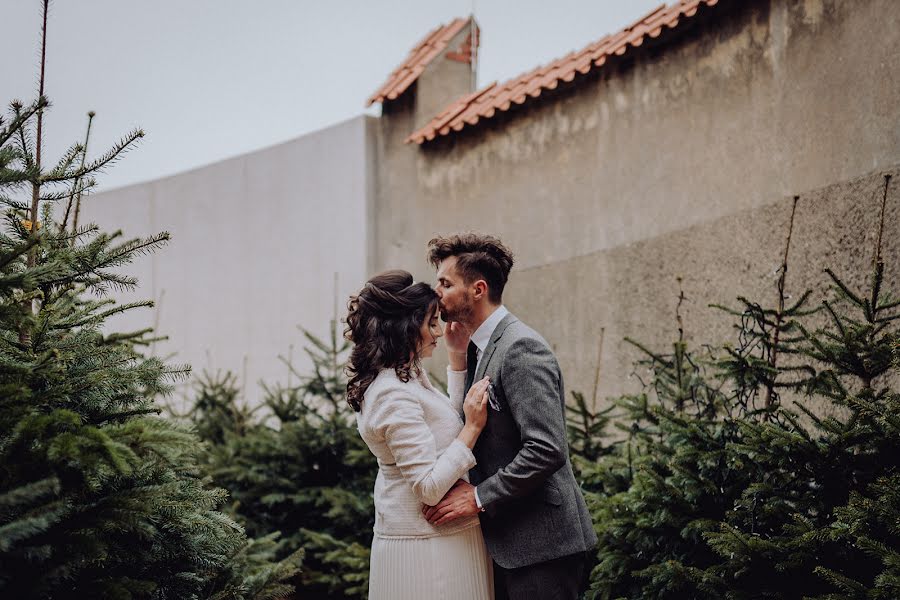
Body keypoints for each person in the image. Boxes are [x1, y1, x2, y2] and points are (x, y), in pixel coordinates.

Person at [422, 233, 598, 599]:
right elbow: (468, 426)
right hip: (510, 544)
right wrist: (456, 360)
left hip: (543, 546)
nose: (436, 292)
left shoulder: (520, 348)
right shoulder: (481, 347)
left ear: (478, 289)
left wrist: (479, 497)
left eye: (445, 283)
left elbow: (547, 449)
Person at [345, 269, 494, 599]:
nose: (438, 331)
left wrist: (457, 358)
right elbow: (428, 487)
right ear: (405, 328)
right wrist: (473, 427)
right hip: (427, 550)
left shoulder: (406, 377)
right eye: (431, 323)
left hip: (442, 540)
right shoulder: (391, 393)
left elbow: (443, 428)